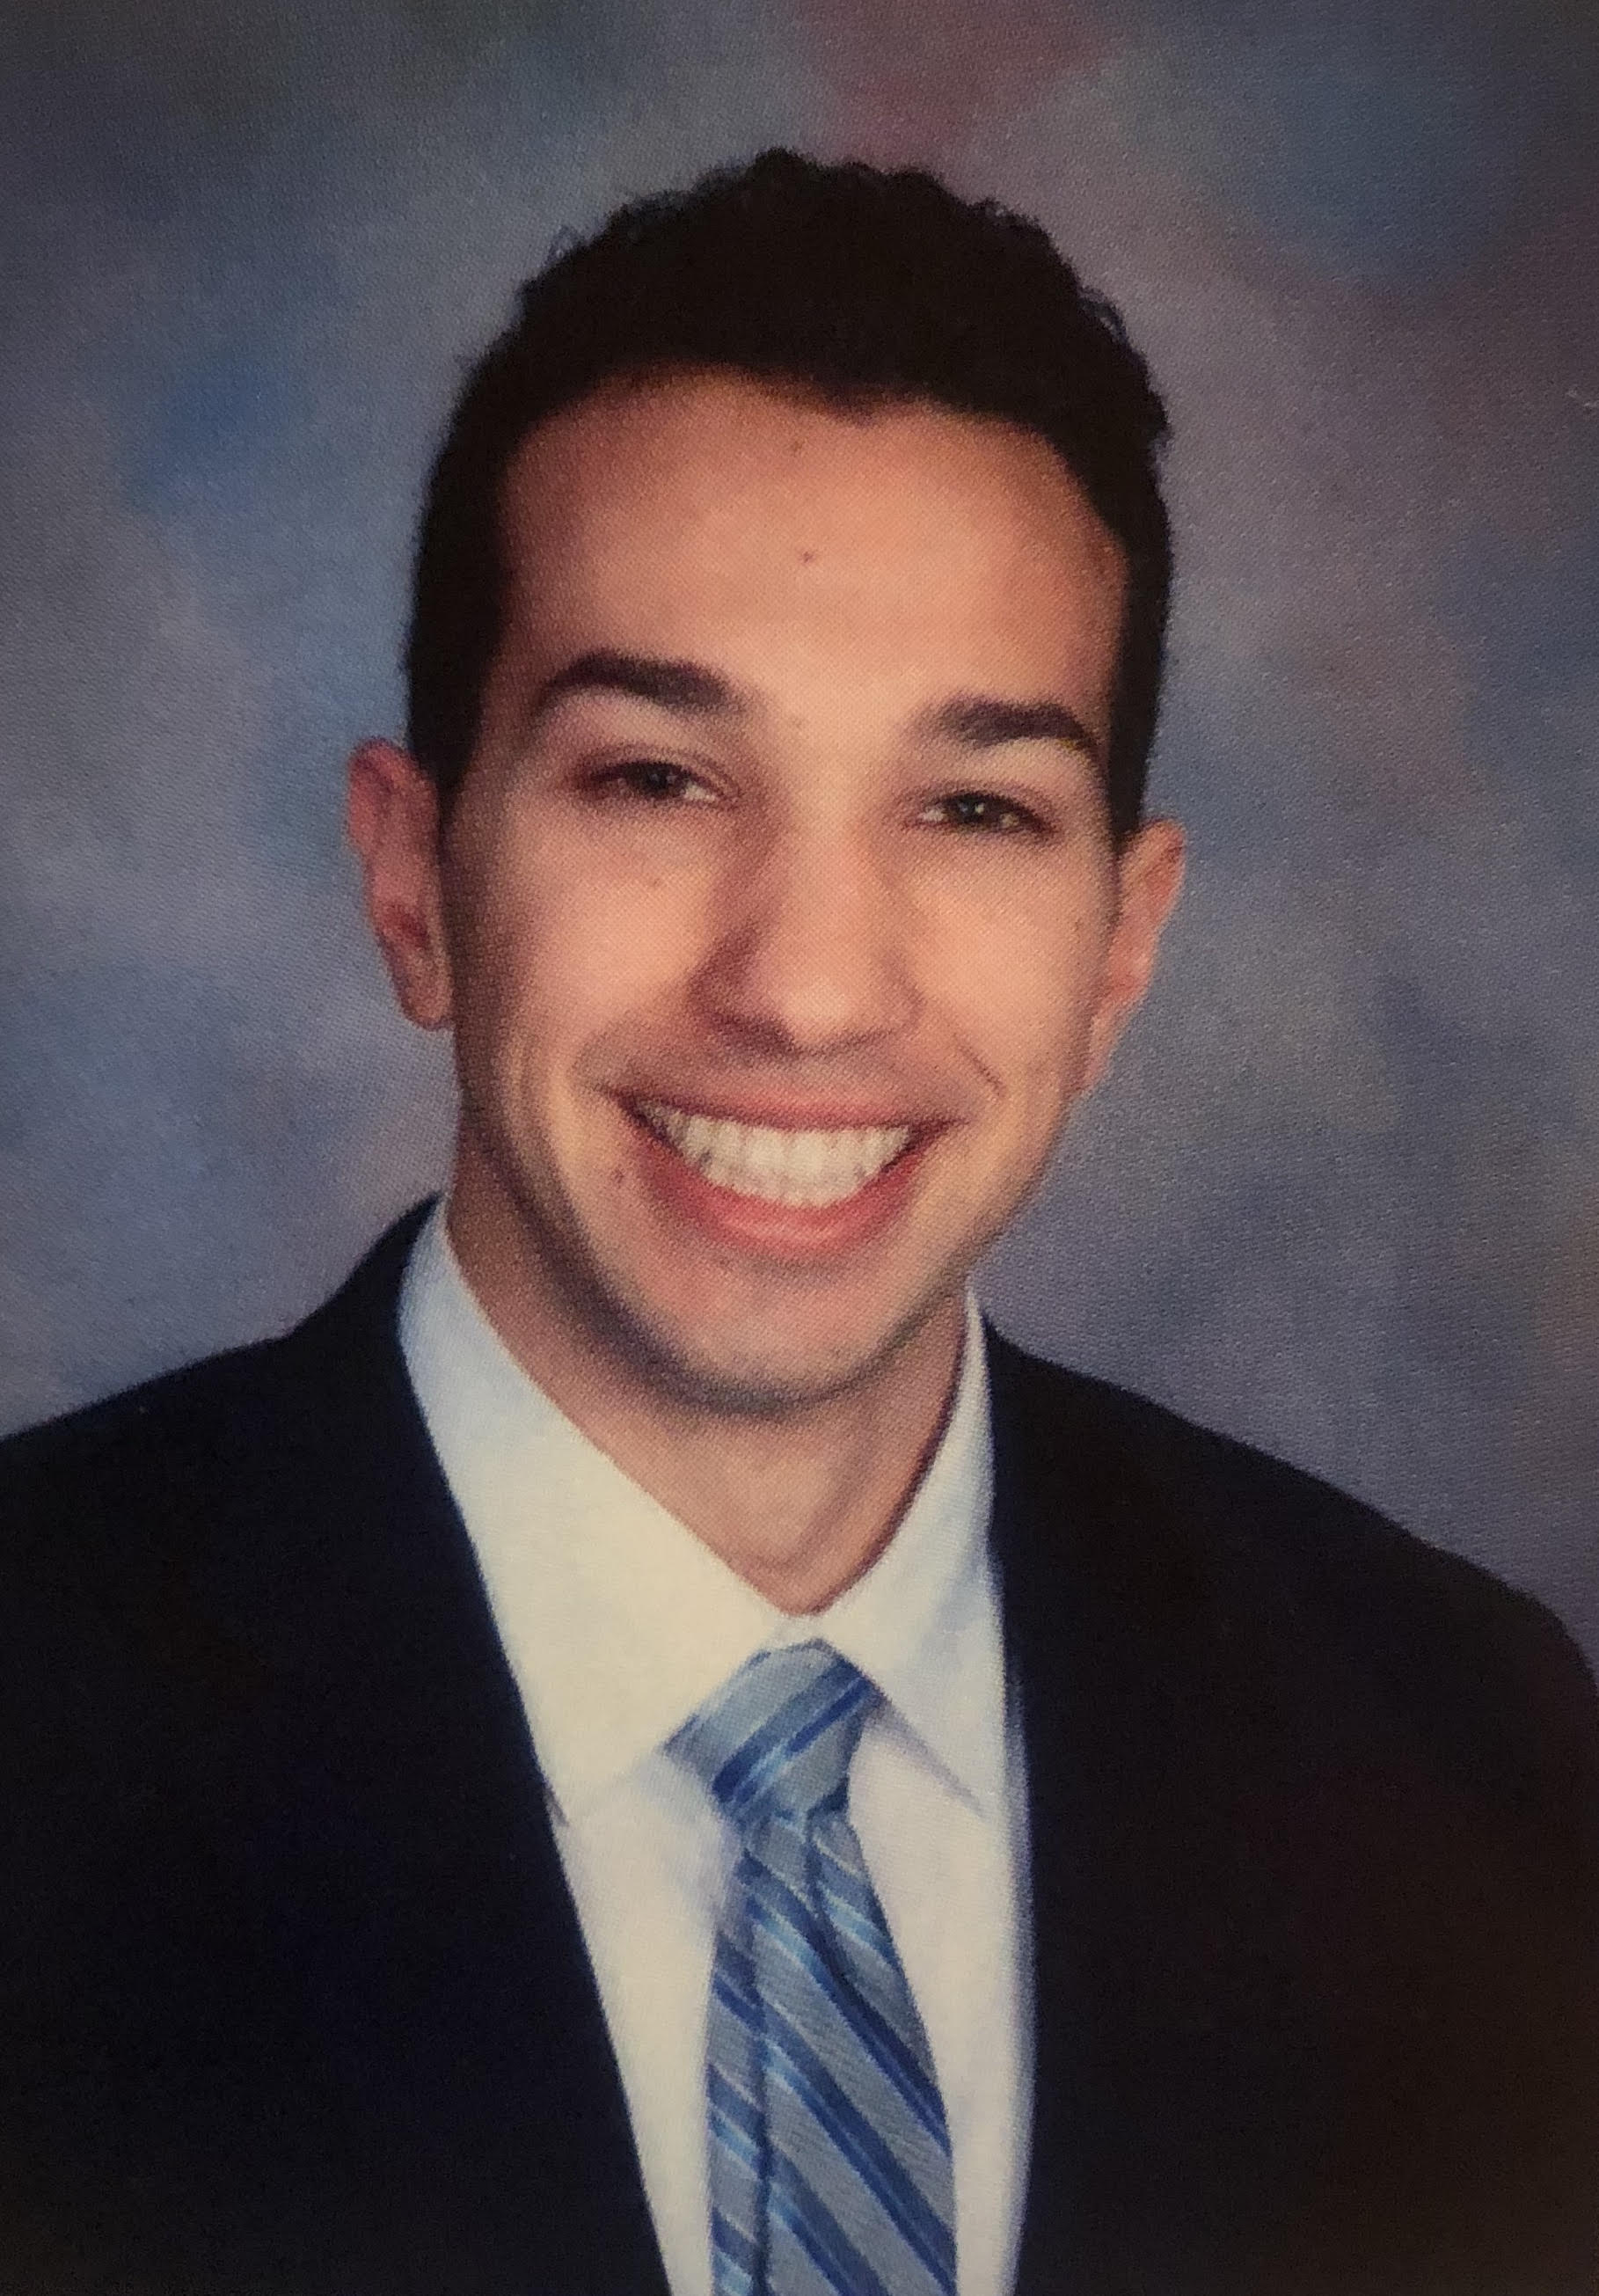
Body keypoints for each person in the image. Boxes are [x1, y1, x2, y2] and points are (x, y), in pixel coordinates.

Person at [0, 150, 1594, 2296]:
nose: (811, 989)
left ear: (1120, 951)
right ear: (413, 878)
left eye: (976, 808)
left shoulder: (1471, 1769)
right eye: (658, 779)